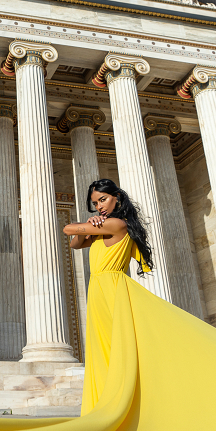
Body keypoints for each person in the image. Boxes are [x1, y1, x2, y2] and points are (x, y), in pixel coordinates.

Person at [62, 178, 153, 415]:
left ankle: (121, 404)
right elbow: (75, 243)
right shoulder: (102, 227)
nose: (99, 206)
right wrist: (91, 225)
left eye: (103, 200)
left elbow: (68, 229)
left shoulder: (116, 224)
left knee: (113, 345)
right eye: (95, 203)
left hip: (111, 287)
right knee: (101, 346)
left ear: (117, 198)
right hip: (99, 288)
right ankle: (107, 403)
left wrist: (87, 224)